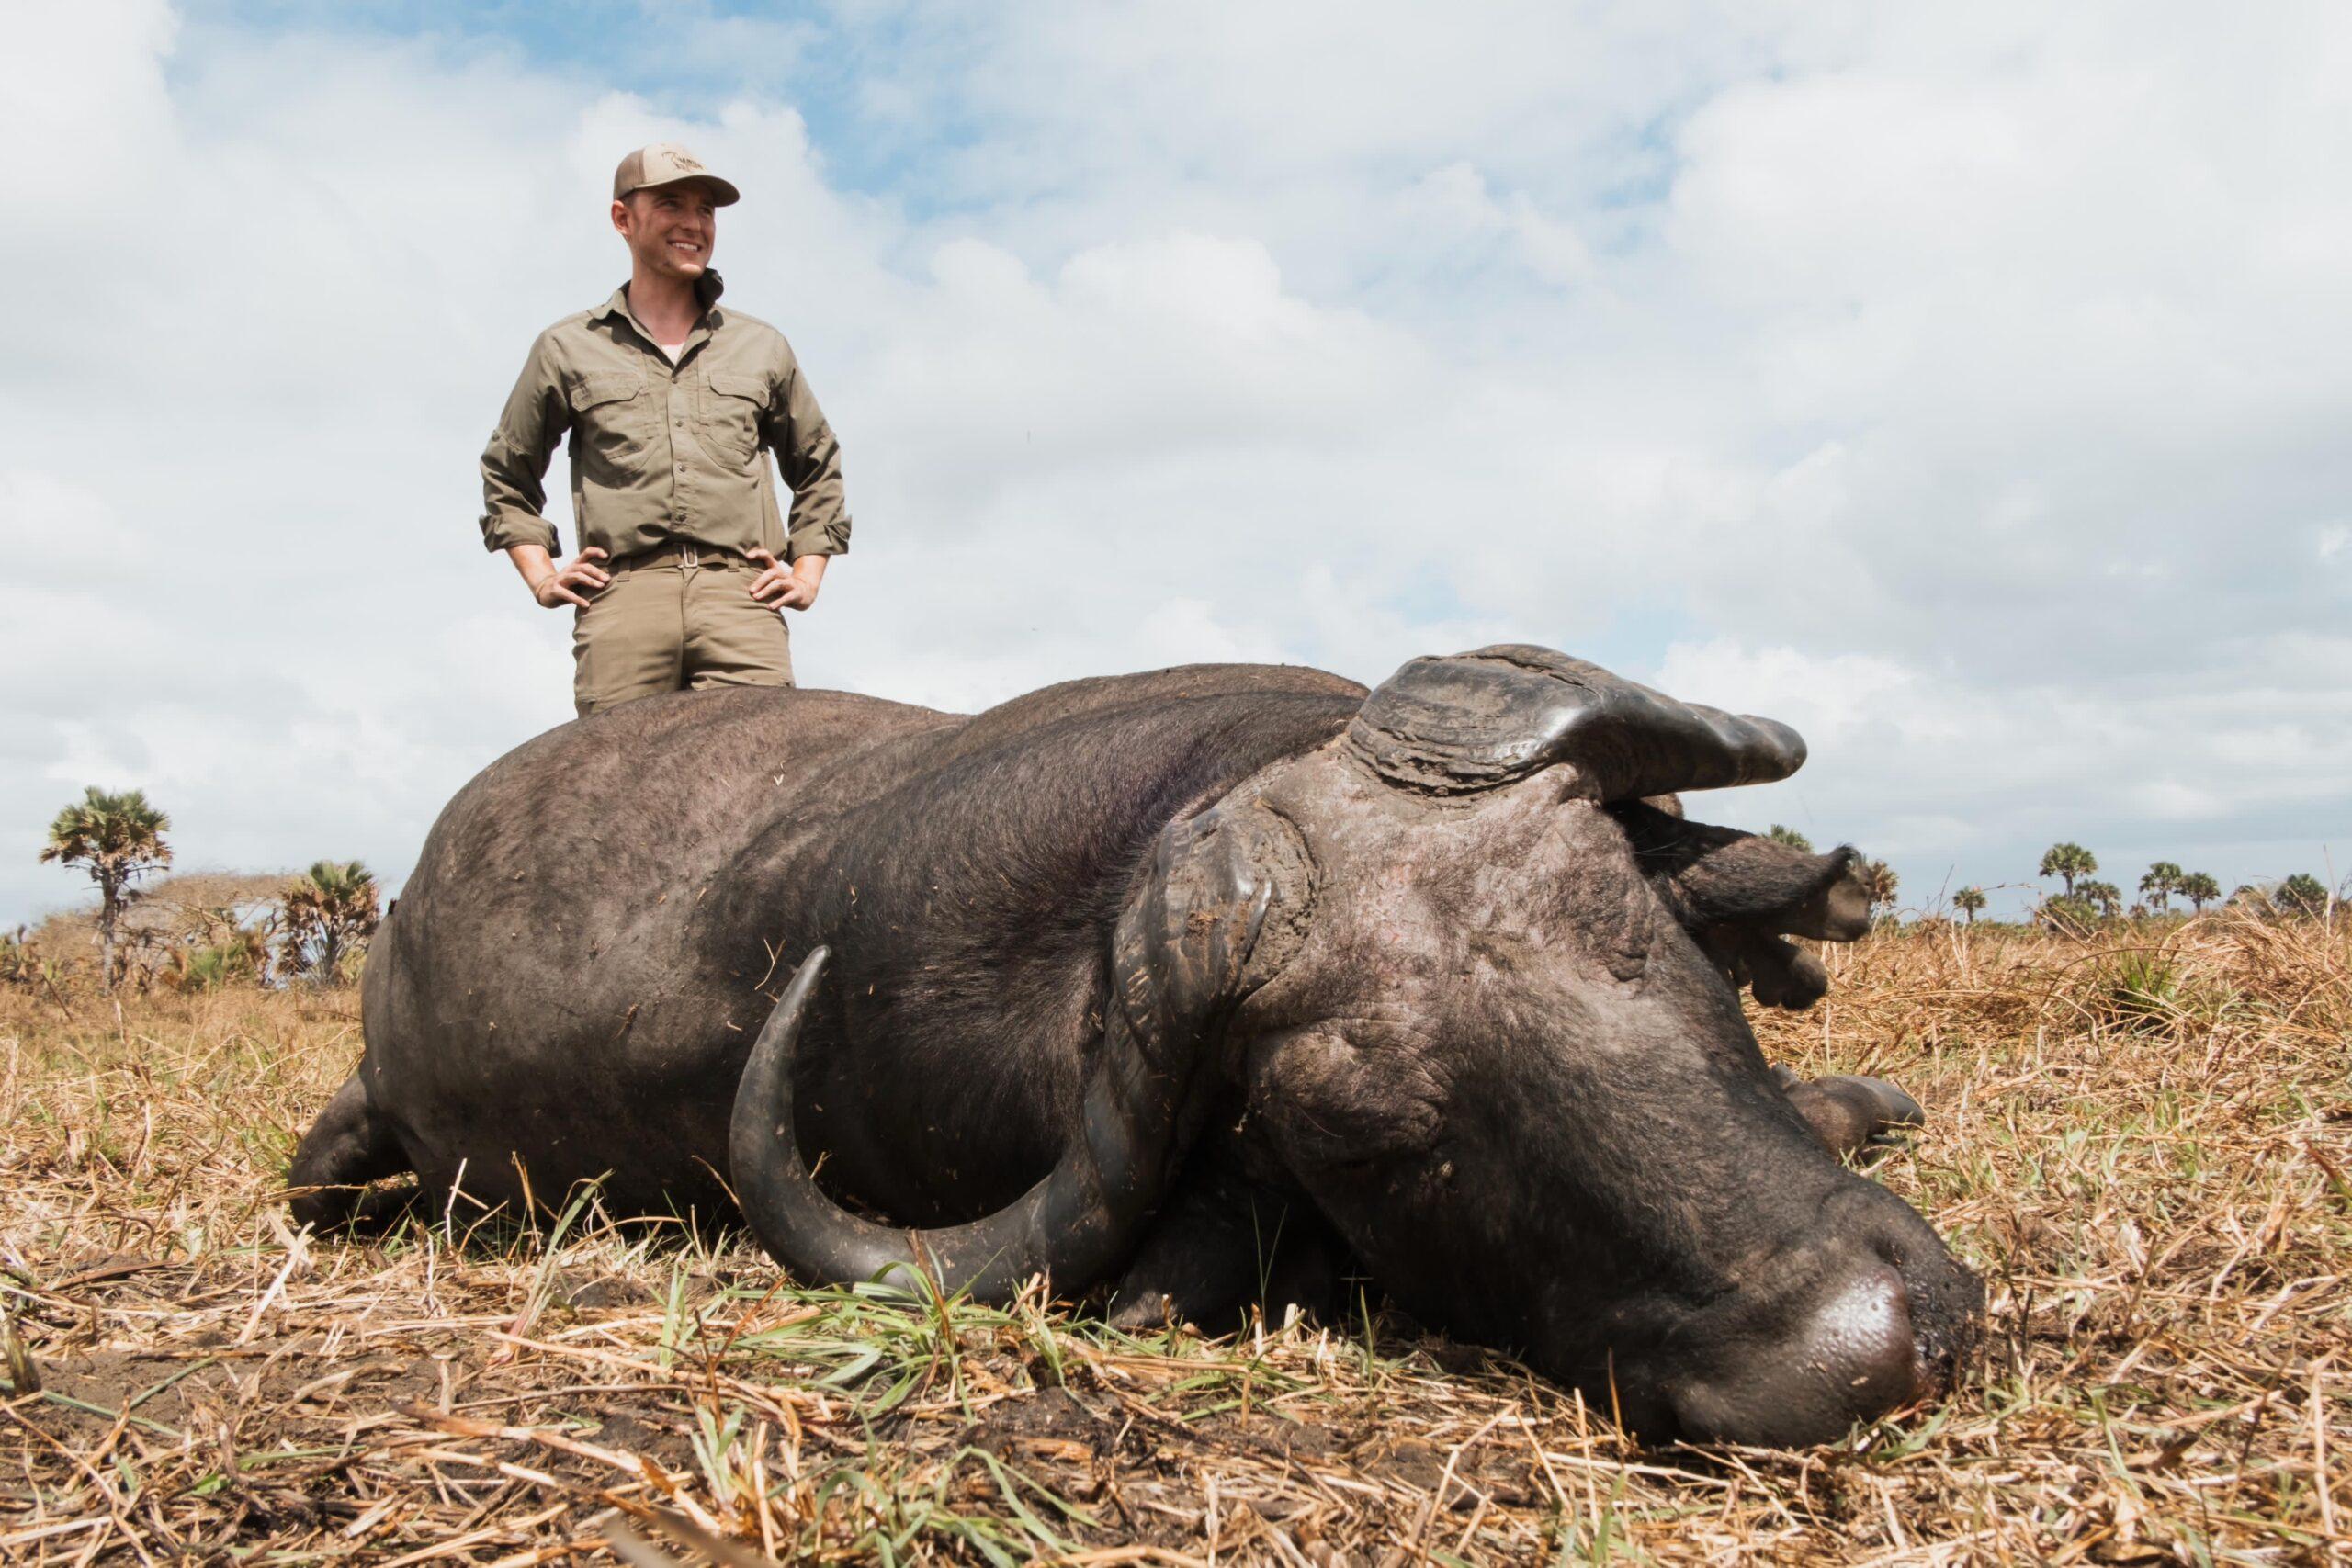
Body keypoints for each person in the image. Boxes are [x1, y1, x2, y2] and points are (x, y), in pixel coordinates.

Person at [478, 142, 851, 716]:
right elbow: (508, 471)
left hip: (742, 597)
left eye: (706, 211)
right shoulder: (566, 347)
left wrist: (806, 574)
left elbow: (818, 462)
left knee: (761, 779)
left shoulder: (761, 346)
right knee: (615, 789)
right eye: (672, 204)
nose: (693, 224)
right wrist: (542, 577)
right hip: (621, 598)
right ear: (623, 219)